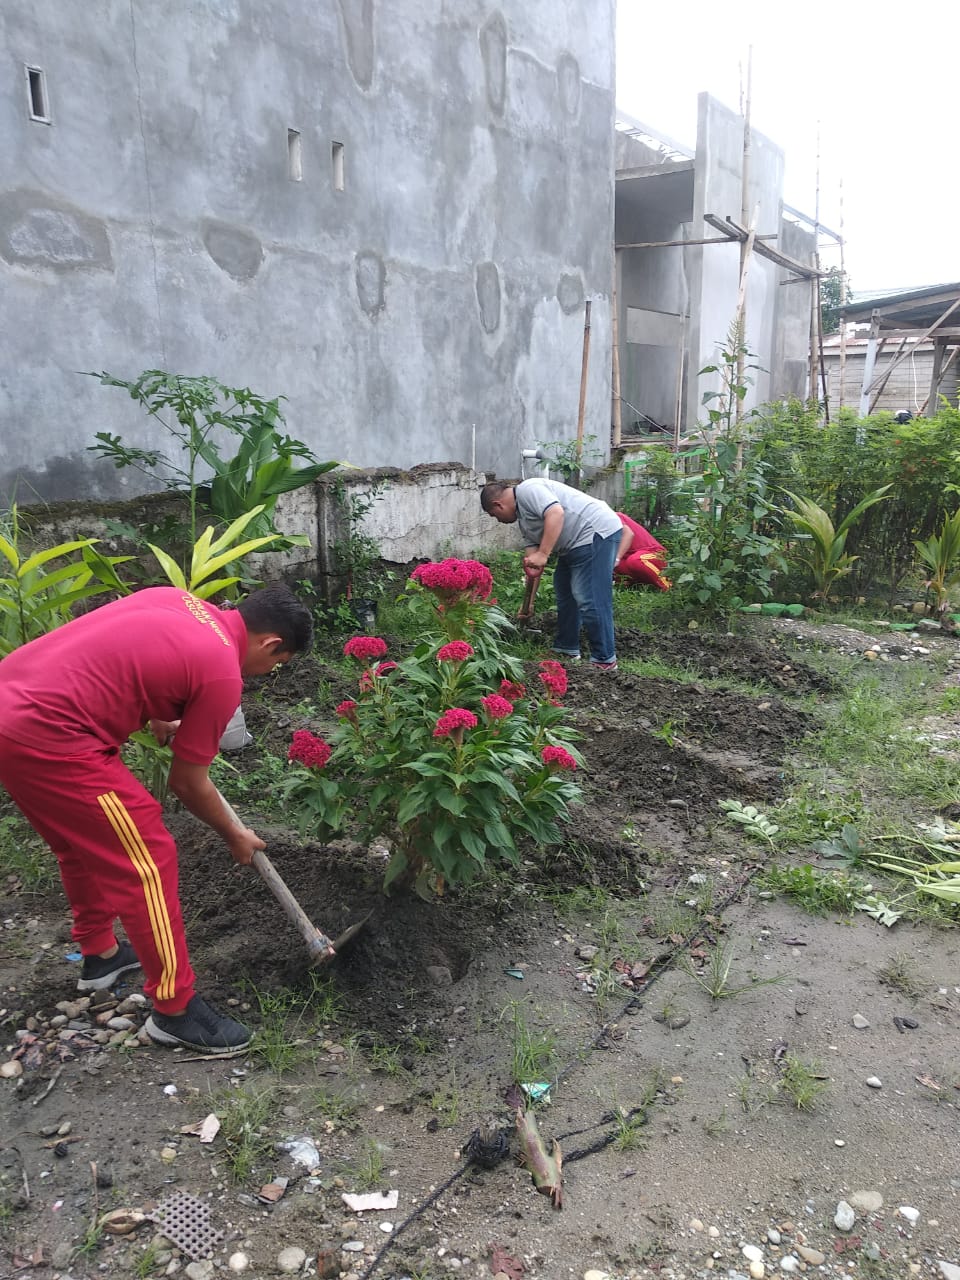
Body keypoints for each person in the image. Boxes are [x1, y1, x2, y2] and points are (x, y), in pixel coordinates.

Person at [0, 584, 314, 1054]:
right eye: (277, 664)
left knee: (80, 844)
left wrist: (159, 713)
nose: (269, 673)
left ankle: (101, 956)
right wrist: (235, 834)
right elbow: (188, 784)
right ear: (271, 643)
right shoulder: (221, 674)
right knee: (147, 856)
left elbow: (124, 657)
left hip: (12, 710)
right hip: (52, 733)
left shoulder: (176, 600)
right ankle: (175, 1010)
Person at [481, 478, 622, 669]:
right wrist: (528, 604)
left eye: (494, 515)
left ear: (498, 505)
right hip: (573, 544)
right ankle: (567, 647)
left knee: (589, 596)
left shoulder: (528, 490)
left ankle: (605, 659)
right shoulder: (524, 522)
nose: (497, 520)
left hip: (596, 531)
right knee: (564, 593)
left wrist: (544, 553)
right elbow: (533, 567)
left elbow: (556, 513)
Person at [614, 512, 671, 591]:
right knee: (613, 563)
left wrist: (616, 558)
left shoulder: (611, 516)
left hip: (655, 553)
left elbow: (629, 534)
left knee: (636, 560)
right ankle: (635, 586)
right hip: (630, 559)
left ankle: (668, 586)